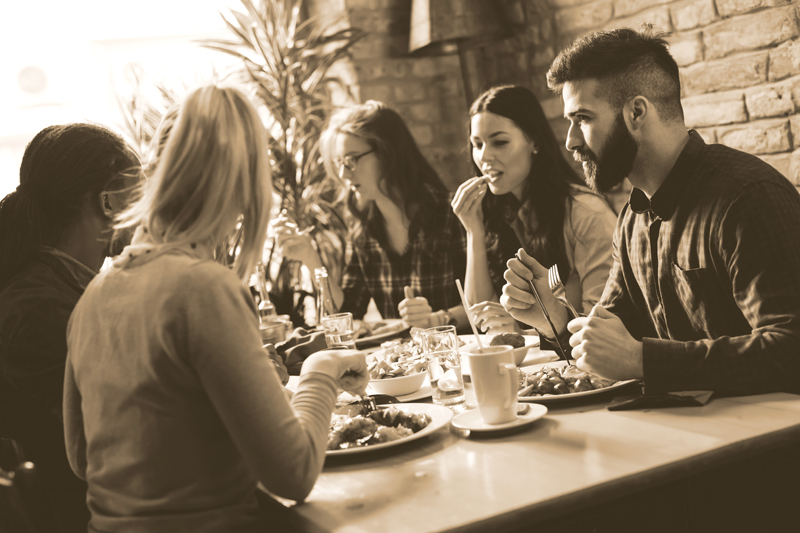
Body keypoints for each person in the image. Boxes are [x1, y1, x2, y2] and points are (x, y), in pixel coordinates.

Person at [63, 85, 368, 532]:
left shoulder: (94, 294)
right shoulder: (203, 287)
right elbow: (294, 475)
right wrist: (323, 368)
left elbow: (81, 458)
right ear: (244, 184)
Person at [501, 26, 800, 396]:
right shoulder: (632, 219)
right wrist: (558, 319)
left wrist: (645, 361)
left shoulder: (746, 197)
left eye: (584, 119)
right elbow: (611, 340)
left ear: (637, 112)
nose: (570, 141)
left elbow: (791, 348)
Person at [0, 123, 142, 532]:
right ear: (110, 201)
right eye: (141, 191)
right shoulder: (40, 311)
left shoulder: (61, 289)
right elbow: (118, 433)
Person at [275, 100, 469, 329]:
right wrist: (310, 258)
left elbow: (486, 302)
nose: (342, 173)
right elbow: (347, 313)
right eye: (339, 162)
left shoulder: (452, 213)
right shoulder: (362, 230)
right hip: (402, 361)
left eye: (351, 160)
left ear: (389, 153)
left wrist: (438, 318)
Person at [452, 85, 616, 341]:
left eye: (500, 142)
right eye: (477, 144)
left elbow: (602, 323)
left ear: (535, 142)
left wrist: (524, 330)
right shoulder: (499, 212)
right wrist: (473, 230)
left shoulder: (585, 213)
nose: (484, 156)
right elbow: (481, 318)